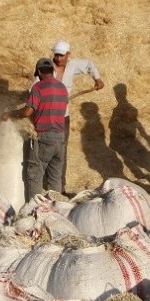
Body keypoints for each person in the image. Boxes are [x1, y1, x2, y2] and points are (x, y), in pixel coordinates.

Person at [2, 58, 69, 202]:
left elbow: (27, 112)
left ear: (39, 71)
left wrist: (11, 114)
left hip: (44, 138)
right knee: (54, 178)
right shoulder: (62, 88)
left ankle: (34, 211)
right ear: (53, 70)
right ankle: (55, 210)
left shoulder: (38, 88)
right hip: (60, 138)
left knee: (34, 175)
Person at [44, 40, 104, 194]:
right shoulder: (45, 67)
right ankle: (45, 184)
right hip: (45, 116)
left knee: (61, 150)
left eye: (61, 56)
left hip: (63, 116)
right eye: (56, 55)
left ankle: (59, 189)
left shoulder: (73, 65)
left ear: (68, 55)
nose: (58, 58)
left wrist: (97, 78)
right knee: (46, 148)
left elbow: (90, 64)